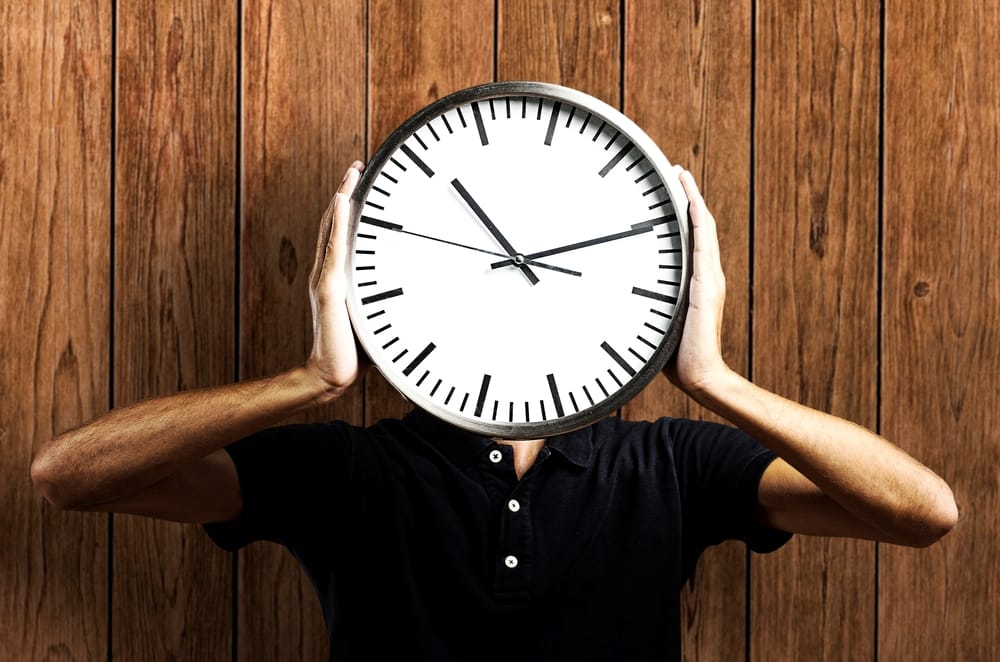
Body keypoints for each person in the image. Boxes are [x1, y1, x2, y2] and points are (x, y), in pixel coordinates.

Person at [31, 162, 958, 661]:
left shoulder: (672, 466)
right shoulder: (348, 471)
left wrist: (714, 378)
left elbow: (923, 514)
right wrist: (309, 379)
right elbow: (67, 477)